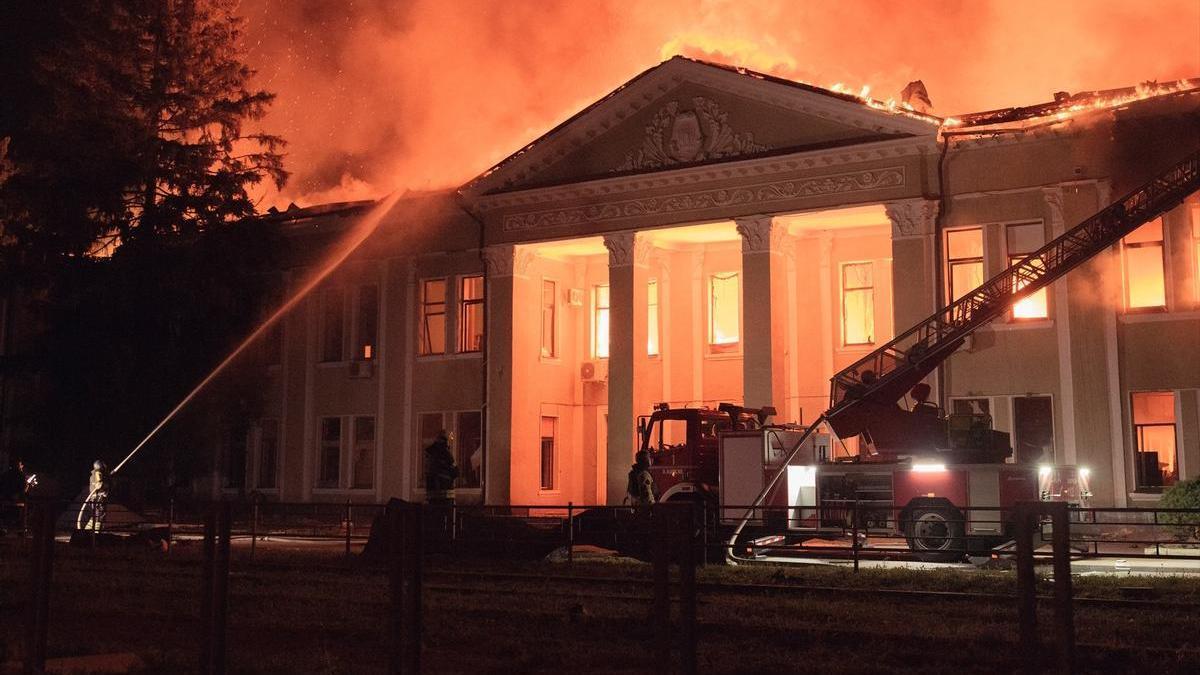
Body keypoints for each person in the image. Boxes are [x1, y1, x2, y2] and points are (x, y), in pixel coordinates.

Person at [424, 431, 458, 505]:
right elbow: (455, 472)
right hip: (445, 493)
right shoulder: (446, 454)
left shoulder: (431, 453)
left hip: (434, 493)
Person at [83, 459, 110, 532]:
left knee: (94, 516)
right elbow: (99, 484)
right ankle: (96, 532)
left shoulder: (93, 475)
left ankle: (87, 531)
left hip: (94, 499)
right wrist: (106, 484)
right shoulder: (98, 473)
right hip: (99, 499)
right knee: (99, 517)